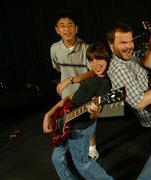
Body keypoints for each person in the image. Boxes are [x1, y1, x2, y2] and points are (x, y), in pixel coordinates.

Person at [106, 21, 151, 180]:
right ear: (111, 45)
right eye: (123, 42)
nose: (129, 46)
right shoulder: (119, 69)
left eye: (130, 41)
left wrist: (150, 49)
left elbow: (144, 66)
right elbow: (139, 103)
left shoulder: (127, 58)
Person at [43, 42, 114, 179]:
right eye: (92, 60)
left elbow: (96, 114)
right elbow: (70, 97)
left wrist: (93, 110)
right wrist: (49, 113)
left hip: (80, 128)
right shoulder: (92, 77)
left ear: (107, 59)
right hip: (66, 121)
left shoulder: (104, 84)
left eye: (99, 59)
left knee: (83, 164)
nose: (95, 63)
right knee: (58, 159)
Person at [50, 10, 99, 159]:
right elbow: (57, 67)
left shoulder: (86, 48)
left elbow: (94, 72)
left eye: (70, 25)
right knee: (69, 122)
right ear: (57, 30)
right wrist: (66, 81)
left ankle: (92, 148)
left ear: (76, 28)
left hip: (84, 91)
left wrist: (72, 79)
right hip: (67, 93)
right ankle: (72, 147)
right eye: (62, 25)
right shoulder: (54, 49)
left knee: (87, 122)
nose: (67, 29)